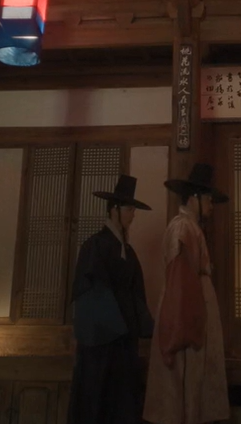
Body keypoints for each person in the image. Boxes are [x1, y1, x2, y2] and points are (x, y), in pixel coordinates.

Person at [144, 163, 230, 424]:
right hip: (186, 313)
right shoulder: (183, 229)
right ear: (194, 198)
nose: (211, 206)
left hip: (193, 309)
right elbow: (180, 284)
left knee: (192, 389)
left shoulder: (190, 227)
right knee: (185, 386)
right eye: (208, 200)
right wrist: (182, 333)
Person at [68, 175, 155, 424]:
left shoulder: (128, 252)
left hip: (125, 342)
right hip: (101, 341)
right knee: (98, 399)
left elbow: (136, 293)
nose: (132, 215)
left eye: (133, 210)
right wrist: (114, 324)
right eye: (129, 209)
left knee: (124, 402)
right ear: (114, 209)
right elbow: (89, 294)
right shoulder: (94, 246)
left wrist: (146, 327)